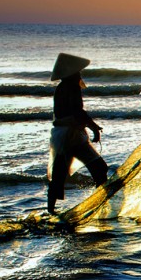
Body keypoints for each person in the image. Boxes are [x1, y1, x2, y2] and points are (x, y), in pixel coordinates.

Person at [47, 52, 108, 215]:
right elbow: (78, 112)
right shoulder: (71, 87)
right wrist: (94, 128)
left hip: (64, 135)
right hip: (69, 136)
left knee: (59, 175)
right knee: (99, 168)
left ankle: (51, 211)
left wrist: (91, 127)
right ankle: (101, 202)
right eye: (78, 72)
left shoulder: (61, 87)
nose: (80, 74)